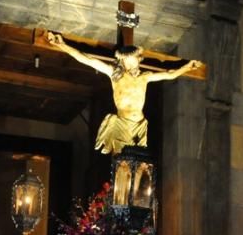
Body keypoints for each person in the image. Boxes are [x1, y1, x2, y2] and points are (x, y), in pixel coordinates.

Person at [47, 31, 201, 153]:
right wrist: (62, 45)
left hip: (139, 125)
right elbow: (86, 59)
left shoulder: (145, 77)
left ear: (138, 59)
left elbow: (170, 74)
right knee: (121, 160)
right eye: (128, 59)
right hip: (121, 124)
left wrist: (188, 67)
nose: (131, 62)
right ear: (122, 60)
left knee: (139, 162)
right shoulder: (115, 74)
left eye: (134, 58)